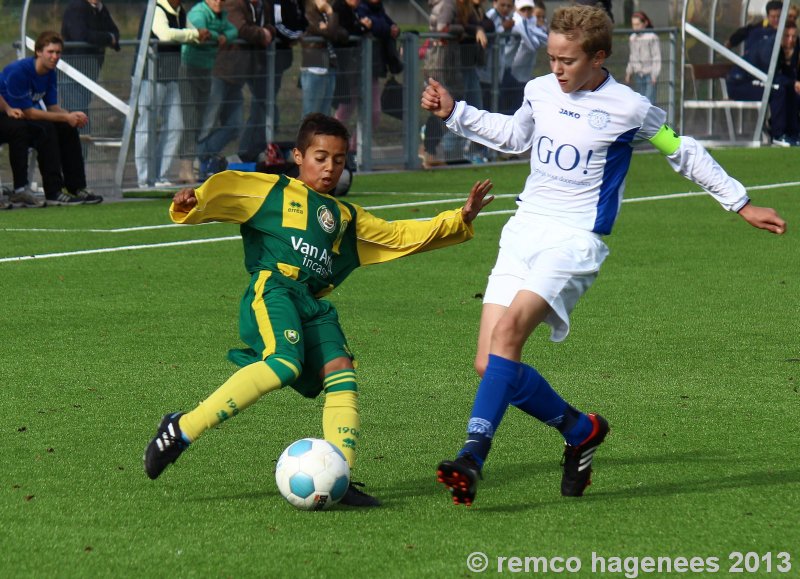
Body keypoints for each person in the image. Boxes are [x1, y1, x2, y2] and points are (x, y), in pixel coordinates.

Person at [420, 5, 786, 507]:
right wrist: (455, 113)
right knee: (490, 364)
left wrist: (740, 202)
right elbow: (515, 135)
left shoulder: (629, 108)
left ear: (598, 57)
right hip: (523, 230)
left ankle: (472, 455)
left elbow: (681, 149)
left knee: (507, 339)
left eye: (567, 60)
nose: (556, 69)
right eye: (551, 58)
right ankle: (580, 429)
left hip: (574, 240)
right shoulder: (540, 91)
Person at [142, 113, 495, 507]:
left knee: (342, 373)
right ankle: (181, 428)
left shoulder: (344, 216)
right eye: (320, 157)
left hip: (312, 304)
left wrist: (456, 220)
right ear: (298, 155)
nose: (330, 168)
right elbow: (226, 190)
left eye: (339, 160)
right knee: (284, 364)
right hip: (274, 288)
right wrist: (195, 200)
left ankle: (339, 475)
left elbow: (396, 235)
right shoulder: (272, 191)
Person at [0, 31, 103, 205]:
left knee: (66, 128)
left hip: (21, 117)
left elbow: (52, 107)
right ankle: (53, 191)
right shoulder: (20, 71)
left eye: (58, 52)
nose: (55, 57)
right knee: (46, 129)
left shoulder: (49, 72)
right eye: (50, 52)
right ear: (38, 52)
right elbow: (28, 113)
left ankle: (77, 187)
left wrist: (71, 115)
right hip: (10, 117)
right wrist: (65, 117)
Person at [134, 0, 209, 188]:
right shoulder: (156, 8)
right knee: (146, 126)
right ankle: (144, 178)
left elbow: (195, 32)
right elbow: (165, 34)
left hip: (171, 76)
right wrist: (193, 35)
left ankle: (161, 175)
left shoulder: (180, 11)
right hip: (150, 76)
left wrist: (197, 34)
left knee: (177, 124)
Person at [196, 0, 274, 172]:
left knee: (235, 125)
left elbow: (270, 25)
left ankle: (202, 155)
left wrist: (267, 31)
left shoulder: (262, 5)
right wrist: (262, 34)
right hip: (220, 70)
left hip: (238, 75)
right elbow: (240, 29)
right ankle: (199, 159)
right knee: (208, 121)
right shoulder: (233, 3)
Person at [183, 0, 238, 180]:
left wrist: (225, 36)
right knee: (191, 119)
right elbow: (202, 31)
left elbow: (233, 30)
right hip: (190, 68)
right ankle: (187, 165)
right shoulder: (199, 12)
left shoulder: (220, 14)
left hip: (206, 69)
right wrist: (218, 36)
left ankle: (198, 162)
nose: (219, 2)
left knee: (203, 119)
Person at [60, 0, 120, 125]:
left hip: (90, 66)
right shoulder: (77, 7)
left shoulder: (100, 9)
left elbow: (115, 31)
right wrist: (108, 38)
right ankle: (79, 142)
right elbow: (80, 35)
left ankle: (81, 142)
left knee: (82, 106)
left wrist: (108, 37)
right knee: (77, 110)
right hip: (73, 68)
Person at [301, 0, 348, 116]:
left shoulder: (326, 8)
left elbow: (344, 33)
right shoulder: (309, 8)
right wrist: (330, 12)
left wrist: (329, 27)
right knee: (311, 116)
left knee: (324, 117)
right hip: (314, 66)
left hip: (330, 66)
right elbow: (331, 33)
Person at [624, 10, 660, 103]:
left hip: (649, 74)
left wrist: (654, 75)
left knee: (649, 101)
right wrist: (629, 72)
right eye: (633, 24)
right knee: (640, 101)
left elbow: (656, 56)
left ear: (645, 23)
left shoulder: (652, 37)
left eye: (637, 24)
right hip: (638, 73)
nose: (635, 27)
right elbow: (632, 56)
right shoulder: (632, 38)